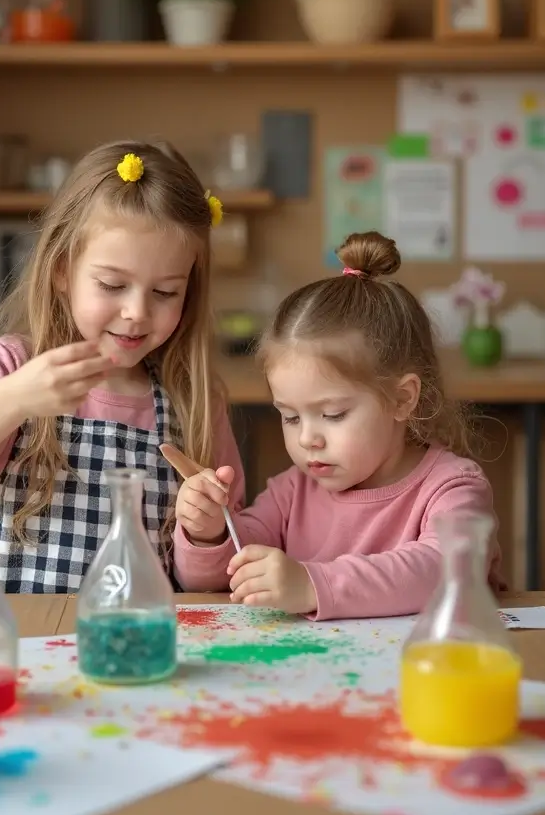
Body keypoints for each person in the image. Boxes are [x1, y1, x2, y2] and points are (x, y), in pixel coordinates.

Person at [0, 140, 244, 593]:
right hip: (20, 645)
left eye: (165, 293)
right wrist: (14, 397)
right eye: (112, 284)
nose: (137, 311)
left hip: (134, 647)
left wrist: (206, 533)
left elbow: (213, 582)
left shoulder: (195, 399)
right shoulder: (13, 366)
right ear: (63, 270)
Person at [173, 231, 503, 619]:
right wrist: (209, 532)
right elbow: (222, 577)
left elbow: (446, 570)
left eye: (332, 415)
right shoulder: (291, 494)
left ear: (402, 399)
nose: (308, 438)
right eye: (291, 416)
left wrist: (313, 585)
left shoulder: (452, 487)